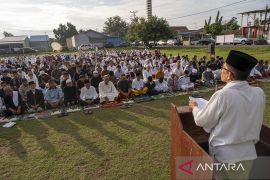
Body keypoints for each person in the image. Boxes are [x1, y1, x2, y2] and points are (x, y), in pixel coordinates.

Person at [189, 50, 265, 179]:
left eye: (223, 68)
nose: (221, 70)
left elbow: (202, 121)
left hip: (226, 155)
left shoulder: (223, 95)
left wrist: (195, 108)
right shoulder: (259, 93)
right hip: (249, 153)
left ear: (229, 75)